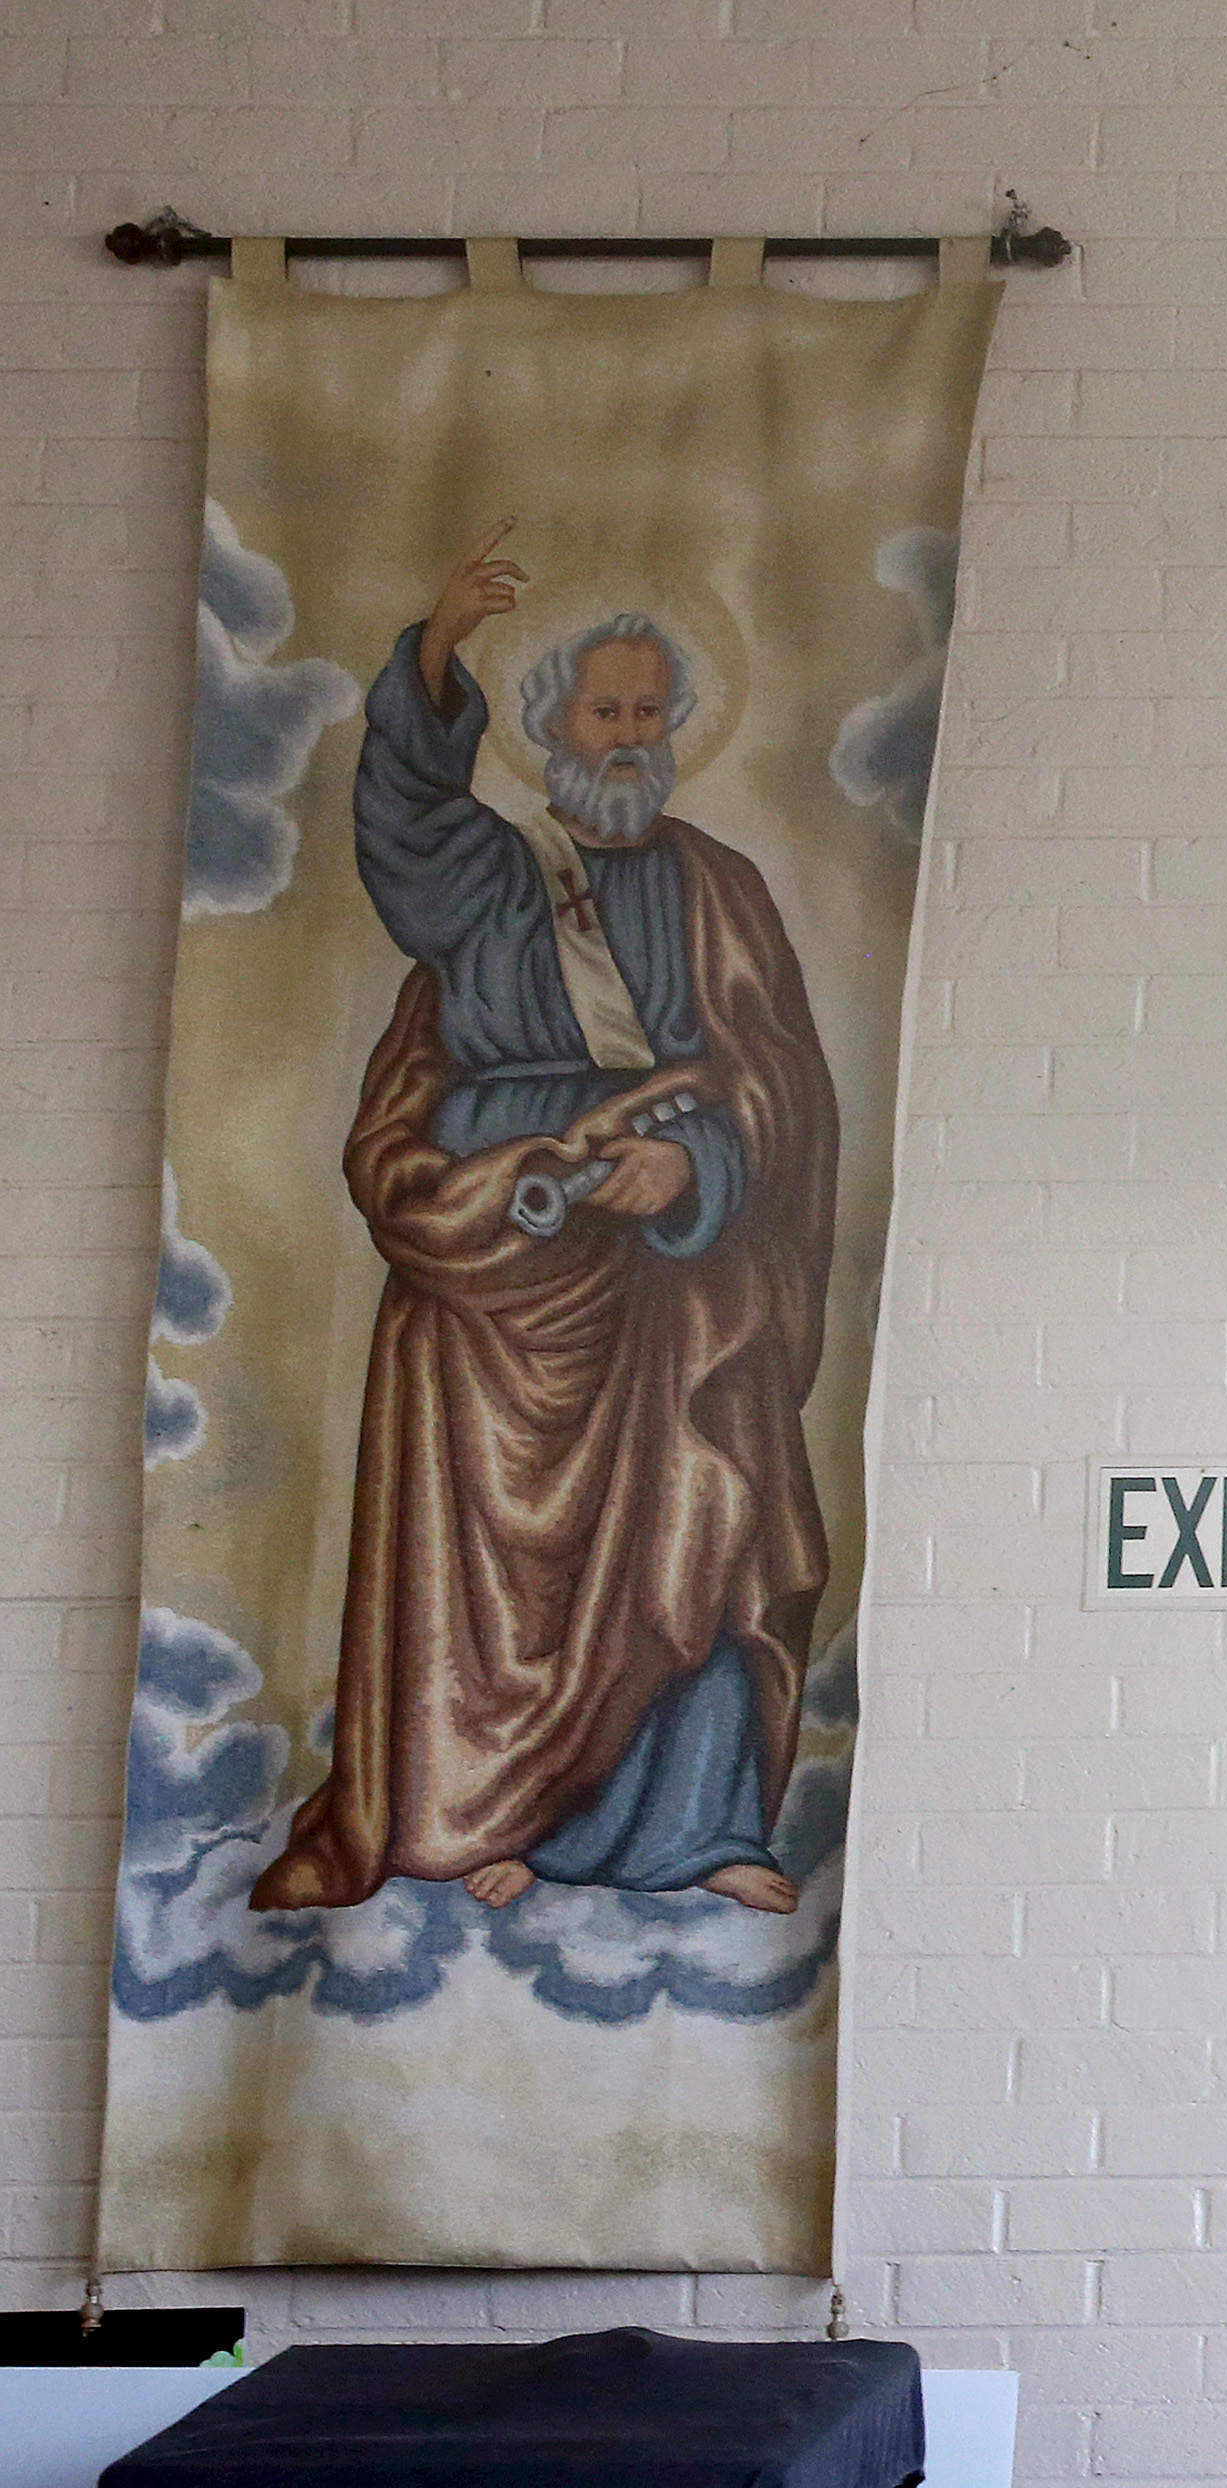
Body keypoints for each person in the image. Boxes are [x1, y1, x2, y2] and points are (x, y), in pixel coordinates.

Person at [257, 523, 839, 1916]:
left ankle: (693, 1831)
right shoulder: (488, 880)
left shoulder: (721, 890)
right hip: (496, 1279)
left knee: (703, 1514)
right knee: (488, 1578)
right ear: (549, 724)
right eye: (605, 709)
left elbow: (780, 1082)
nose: (632, 735)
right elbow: (400, 836)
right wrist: (437, 651)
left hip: (670, 1288)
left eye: (652, 711)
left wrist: (693, 1165)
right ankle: (491, 1813)